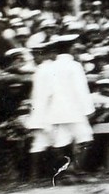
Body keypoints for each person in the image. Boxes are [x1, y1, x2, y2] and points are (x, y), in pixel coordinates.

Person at [26, 33, 95, 181]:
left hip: (56, 111)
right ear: (70, 48)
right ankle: (76, 171)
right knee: (85, 138)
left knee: (61, 142)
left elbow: (46, 91)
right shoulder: (74, 66)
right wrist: (88, 109)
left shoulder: (50, 66)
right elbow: (81, 89)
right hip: (73, 110)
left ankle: (65, 174)